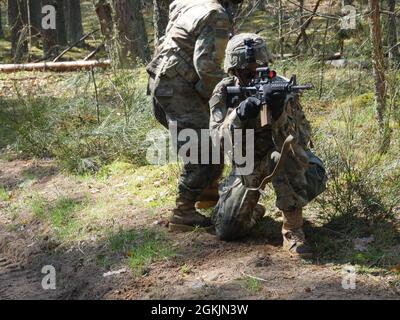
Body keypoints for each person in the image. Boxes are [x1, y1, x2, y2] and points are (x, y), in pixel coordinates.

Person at [209, 33, 327, 258]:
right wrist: (240, 113)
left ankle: (292, 229)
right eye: (247, 73)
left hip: (282, 157)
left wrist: (280, 111)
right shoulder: (223, 92)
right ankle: (254, 208)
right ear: (233, 71)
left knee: (284, 155)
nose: (255, 76)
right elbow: (216, 140)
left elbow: (301, 139)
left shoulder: (281, 87)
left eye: (260, 69)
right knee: (227, 230)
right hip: (247, 164)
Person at [146, 0, 244, 232]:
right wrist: (233, 90)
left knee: (211, 135)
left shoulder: (190, 5)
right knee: (203, 148)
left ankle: (208, 195)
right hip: (178, 87)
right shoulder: (216, 15)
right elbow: (206, 66)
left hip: (162, 82)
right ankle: (184, 211)